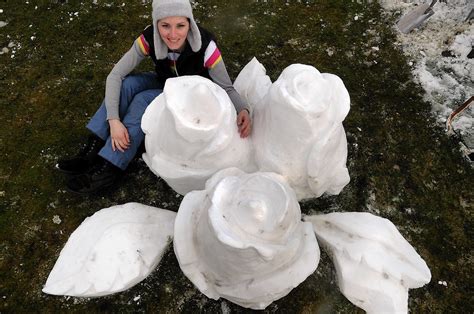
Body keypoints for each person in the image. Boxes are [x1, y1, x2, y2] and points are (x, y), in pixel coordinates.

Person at [57, 0, 252, 194]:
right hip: (165, 80)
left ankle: (110, 166)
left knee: (141, 101)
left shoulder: (206, 46)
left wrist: (242, 108)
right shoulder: (149, 37)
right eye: (165, 25)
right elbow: (115, 75)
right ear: (156, 22)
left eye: (180, 26)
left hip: (188, 98)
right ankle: (94, 149)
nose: (173, 35)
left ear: (190, 23)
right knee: (128, 85)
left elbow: (226, 86)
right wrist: (113, 120)